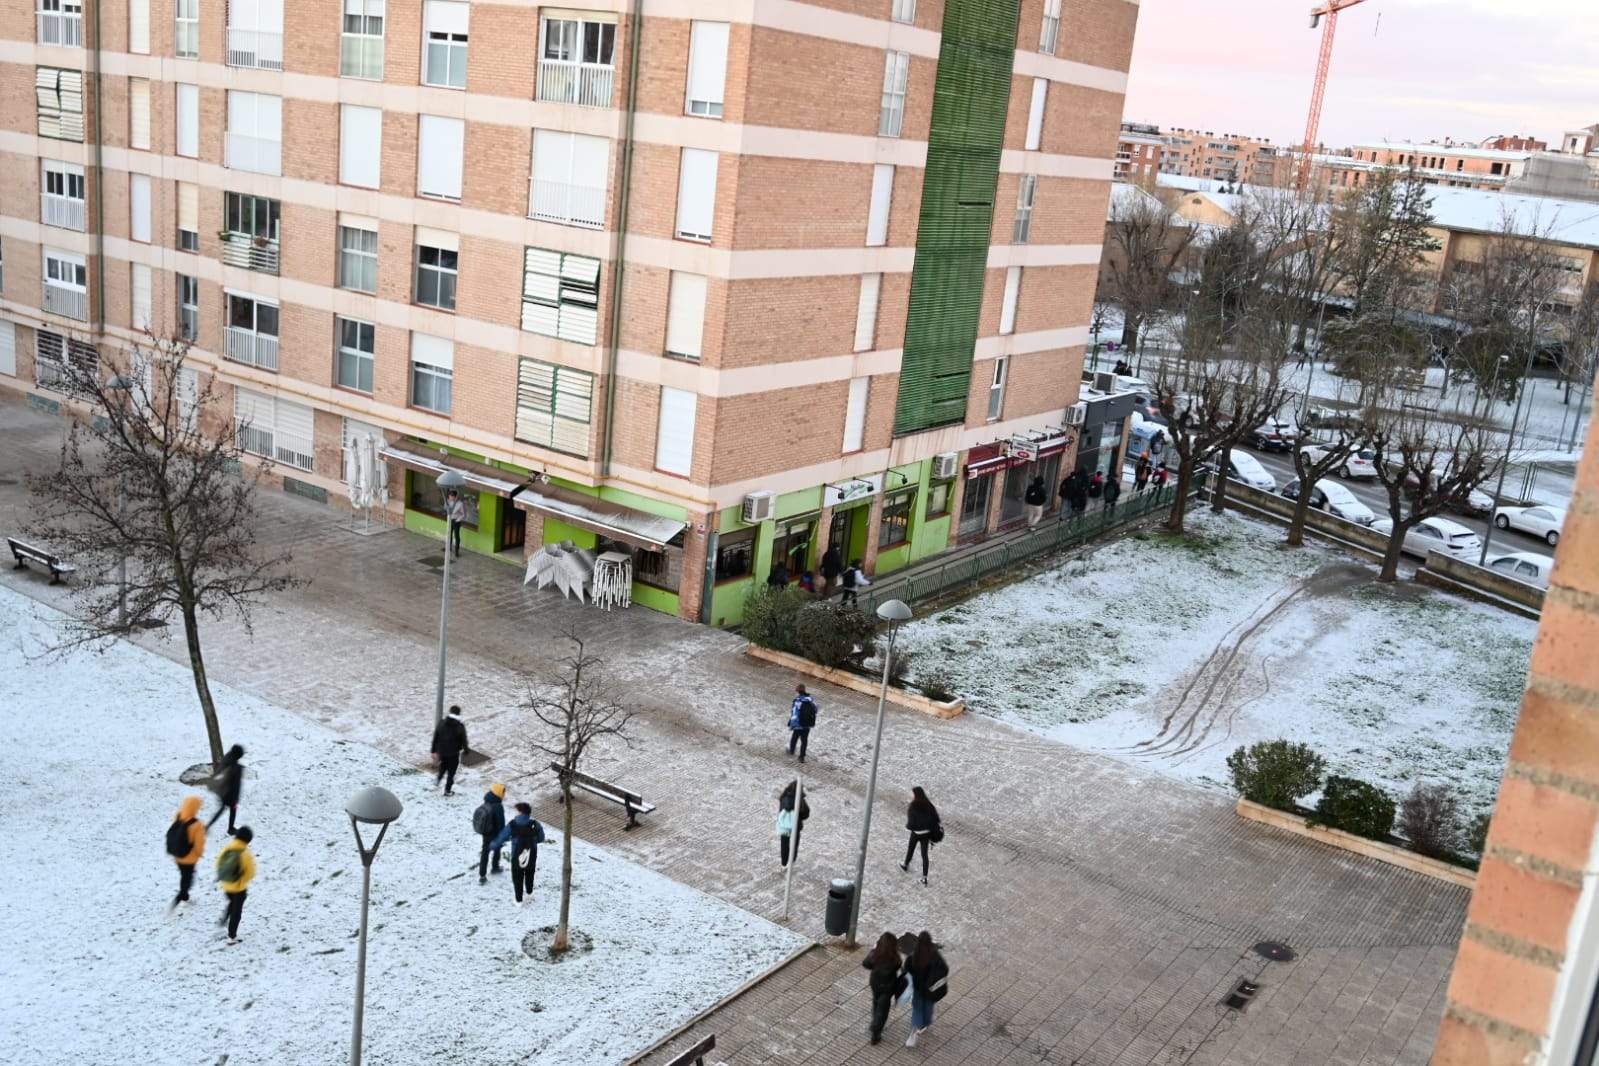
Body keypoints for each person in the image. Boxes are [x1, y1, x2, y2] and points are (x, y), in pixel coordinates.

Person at [489, 802, 545, 906]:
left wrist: (492, 846)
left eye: (517, 810)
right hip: (531, 853)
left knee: (517, 876)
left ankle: (519, 900)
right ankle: (529, 893)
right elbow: (541, 839)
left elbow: (502, 837)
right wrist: (532, 841)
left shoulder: (512, 824)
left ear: (520, 812)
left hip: (517, 855)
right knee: (530, 873)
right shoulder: (535, 824)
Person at [901, 930, 949, 1047]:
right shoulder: (935, 954)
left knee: (917, 1009)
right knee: (928, 1009)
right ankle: (924, 1025)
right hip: (931, 991)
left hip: (918, 989)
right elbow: (945, 969)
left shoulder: (914, 956)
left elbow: (906, 969)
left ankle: (914, 1031)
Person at [862, 931, 906, 1045]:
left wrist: (873, 950)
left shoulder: (875, 955)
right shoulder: (896, 958)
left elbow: (866, 964)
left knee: (876, 1002)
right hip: (888, 986)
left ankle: (874, 1022)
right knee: (883, 1009)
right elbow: (898, 967)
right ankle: (876, 1032)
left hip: (875, 984)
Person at [216, 825, 256, 945]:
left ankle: (224, 919)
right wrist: (243, 880)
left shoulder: (227, 848)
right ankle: (231, 936)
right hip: (239, 888)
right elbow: (251, 873)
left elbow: (218, 863)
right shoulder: (245, 853)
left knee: (232, 902)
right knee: (237, 912)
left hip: (226, 885)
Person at [167, 794, 207, 911]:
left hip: (177, 855)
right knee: (188, 878)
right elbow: (199, 844)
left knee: (184, 875)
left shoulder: (178, 816)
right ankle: (182, 895)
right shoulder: (197, 824)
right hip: (189, 858)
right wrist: (199, 854)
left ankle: (184, 895)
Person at [901, 786, 941, 885]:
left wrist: (911, 827)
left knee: (910, 849)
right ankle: (924, 877)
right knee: (924, 855)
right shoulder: (929, 805)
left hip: (916, 834)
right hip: (926, 834)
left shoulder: (913, 806)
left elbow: (911, 823)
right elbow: (936, 819)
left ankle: (906, 865)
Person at [431, 706, 470, 796]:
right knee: (451, 772)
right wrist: (466, 750)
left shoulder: (441, 722)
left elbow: (435, 737)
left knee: (443, 766)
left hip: (442, 751)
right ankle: (447, 790)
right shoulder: (460, 726)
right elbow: (464, 739)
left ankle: (438, 779)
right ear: (458, 714)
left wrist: (433, 750)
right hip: (453, 753)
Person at [473, 783, 508, 884]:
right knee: (497, 849)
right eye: (503, 792)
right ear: (498, 793)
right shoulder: (498, 806)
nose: (504, 795)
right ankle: (495, 867)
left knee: (485, 853)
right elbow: (501, 823)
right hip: (495, 833)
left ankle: (482, 875)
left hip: (486, 833)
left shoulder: (487, 801)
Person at [207, 744, 245, 834]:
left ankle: (209, 826)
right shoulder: (236, 767)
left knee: (223, 809)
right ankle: (230, 828)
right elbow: (236, 785)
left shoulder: (227, 759)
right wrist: (235, 798)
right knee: (230, 808)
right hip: (230, 794)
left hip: (223, 791)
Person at [776, 779, 811, 868]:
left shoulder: (783, 797)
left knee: (784, 844)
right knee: (794, 845)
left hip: (784, 826)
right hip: (796, 826)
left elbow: (780, 810)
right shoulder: (800, 800)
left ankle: (784, 863)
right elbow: (806, 813)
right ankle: (791, 862)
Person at [788, 685, 818, 762]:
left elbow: (794, 713)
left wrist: (791, 723)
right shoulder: (810, 699)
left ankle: (791, 750)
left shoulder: (797, 700)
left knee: (794, 737)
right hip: (807, 724)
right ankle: (801, 757)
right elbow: (816, 709)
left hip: (799, 724)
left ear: (798, 691)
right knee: (804, 740)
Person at [445, 488, 466, 559]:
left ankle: (457, 550)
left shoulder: (460, 504)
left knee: (456, 536)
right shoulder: (448, 501)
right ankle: (449, 547)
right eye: (449, 496)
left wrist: (457, 520)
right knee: (449, 534)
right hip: (449, 520)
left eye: (451, 496)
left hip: (456, 521)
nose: (450, 497)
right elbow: (446, 508)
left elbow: (463, 514)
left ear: (455, 496)